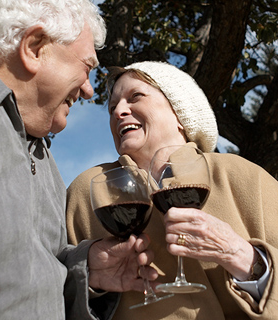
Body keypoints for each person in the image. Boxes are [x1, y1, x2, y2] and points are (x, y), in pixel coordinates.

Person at [0, 1, 158, 319]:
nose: (90, 91)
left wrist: (87, 271)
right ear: (35, 48)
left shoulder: (43, 155)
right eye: (87, 68)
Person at [66, 61, 278, 319]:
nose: (118, 111)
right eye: (112, 107)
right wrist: (90, 281)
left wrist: (241, 256)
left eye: (135, 97)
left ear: (179, 113)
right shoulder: (85, 192)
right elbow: (50, 289)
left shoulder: (241, 174)